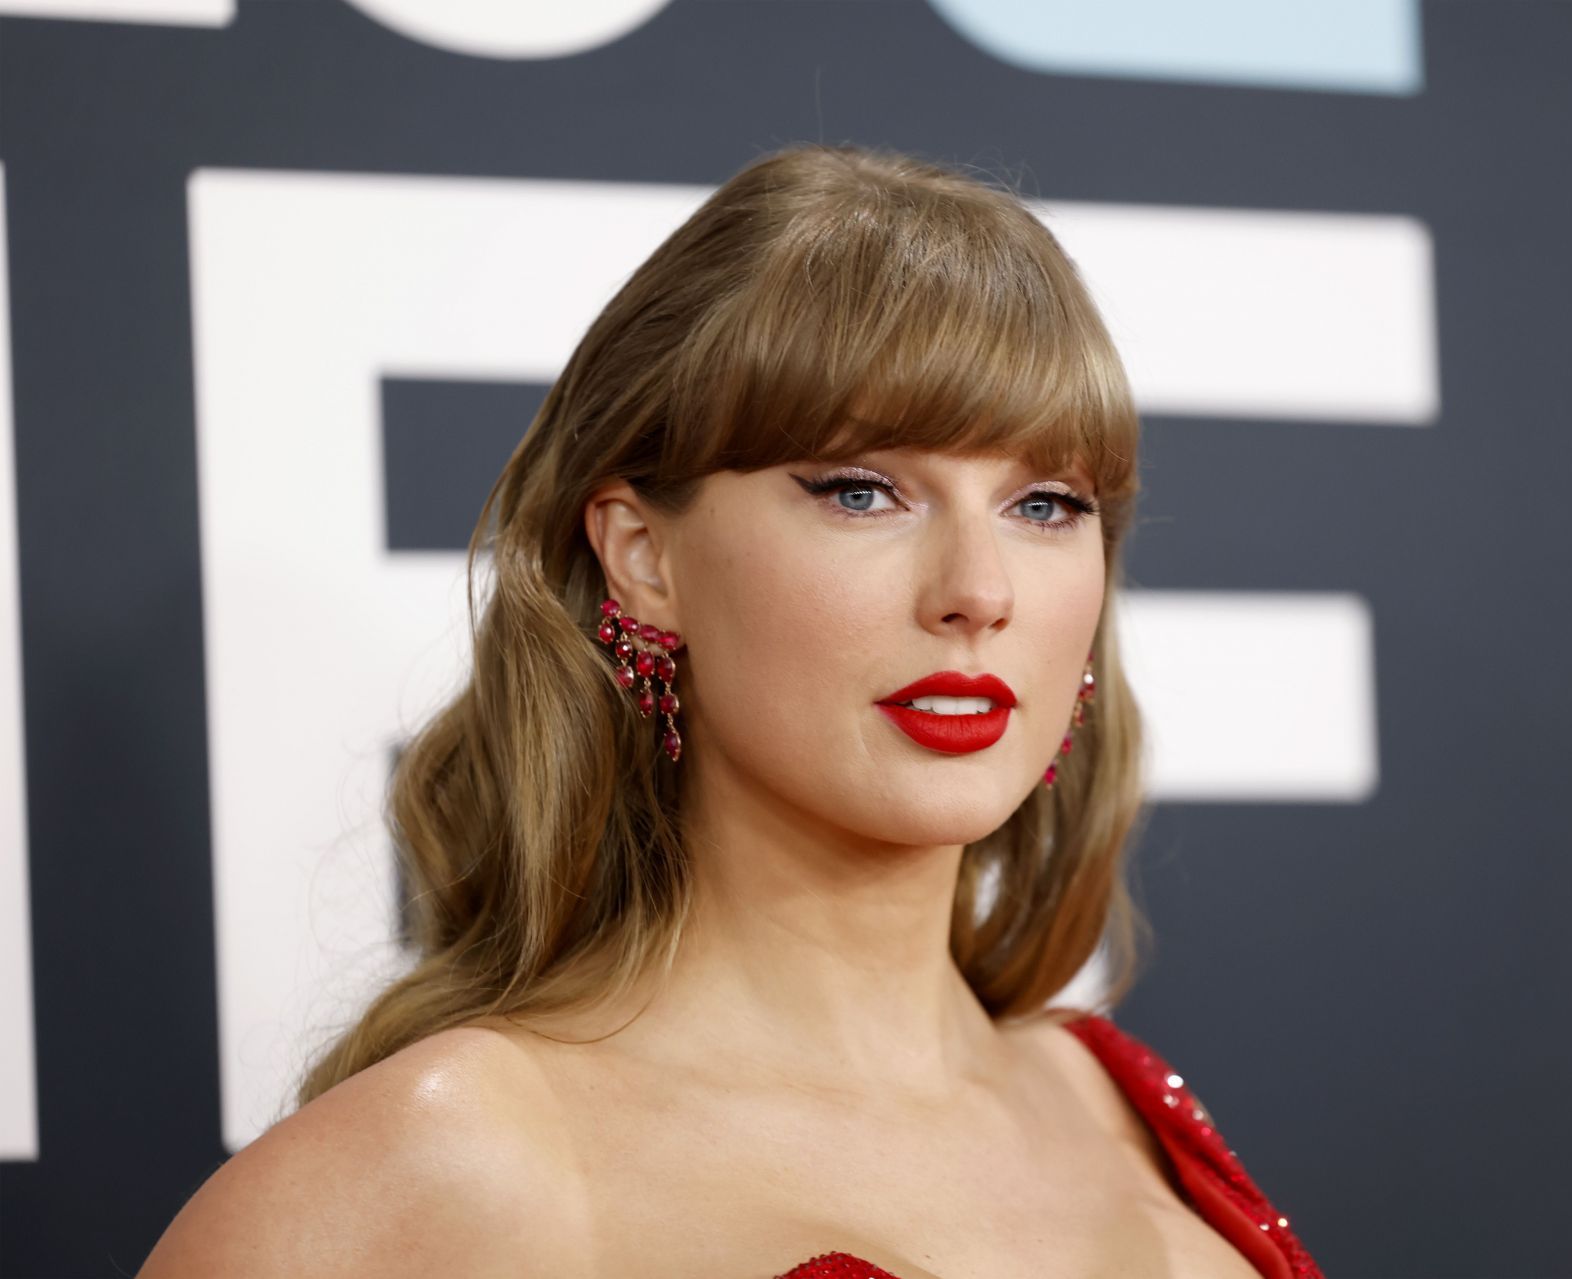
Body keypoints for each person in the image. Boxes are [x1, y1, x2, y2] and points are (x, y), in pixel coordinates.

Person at [138, 142, 1323, 1279]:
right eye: (865, 492)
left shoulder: (1112, 1094)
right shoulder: (441, 1168)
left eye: (1048, 504)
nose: (979, 592)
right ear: (645, 557)